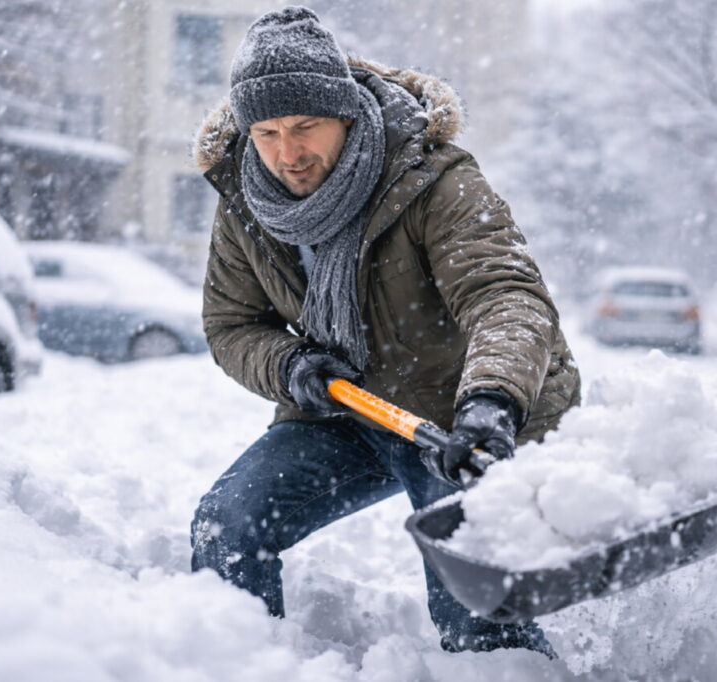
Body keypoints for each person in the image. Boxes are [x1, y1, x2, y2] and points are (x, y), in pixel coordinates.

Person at [190, 6, 580, 655]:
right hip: (346, 407)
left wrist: (491, 403)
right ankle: (238, 665)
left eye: (306, 126)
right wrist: (289, 366)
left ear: (344, 113)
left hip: (460, 414)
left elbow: (505, 296)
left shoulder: (434, 177)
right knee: (226, 526)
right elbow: (232, 324)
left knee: (472, 601)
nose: (287, 153)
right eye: (266, 132)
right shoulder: (247, 202)